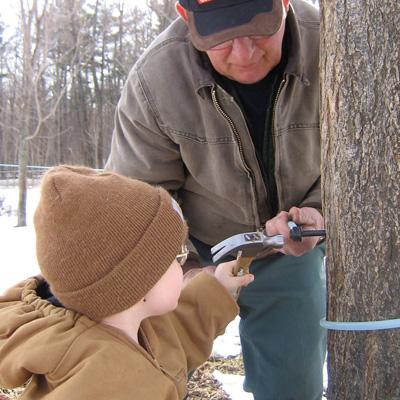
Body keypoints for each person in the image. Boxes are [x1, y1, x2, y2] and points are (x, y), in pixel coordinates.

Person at [105, 0, 326, 398]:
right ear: (186, 17)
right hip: (190, 252)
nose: (244, 54)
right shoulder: (155, 81)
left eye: (259, 28)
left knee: (293, 386)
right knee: (141, 379)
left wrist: (318, 213)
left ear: (285, 3)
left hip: (289, 249)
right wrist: (182, 270)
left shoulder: (332, 46)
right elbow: (136, 199)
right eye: (221, 37)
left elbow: (365, 160)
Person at [0, 165, 254, 400]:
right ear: (133, 282)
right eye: (176, 257)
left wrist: (217, 288)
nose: (182, 265)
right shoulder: (110, 384)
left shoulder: (129, 325)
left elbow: (172, 338)